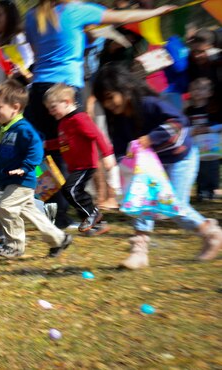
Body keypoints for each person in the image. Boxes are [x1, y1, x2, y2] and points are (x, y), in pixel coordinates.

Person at [24, 0, 175, 229]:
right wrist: (156, 11)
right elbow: (122, 17)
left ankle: (56, 214)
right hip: (65, 89)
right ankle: (76, 214)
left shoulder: (32, 15)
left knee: (49, 152)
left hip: (38, 90)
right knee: (72, 154)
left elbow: (37, 52)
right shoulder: (76, 11)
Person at [93, 63, 222, 267]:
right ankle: (139, 251)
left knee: (176, 207)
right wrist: (121, 165)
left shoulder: (149, 104)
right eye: (103, 101)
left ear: (125, 89)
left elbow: (179, 122)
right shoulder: (118, 120)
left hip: (181, 159)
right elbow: (120, 147)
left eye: (110, 97)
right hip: (150, 166)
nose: (109, 105)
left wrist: (151, 138)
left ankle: (211, 232)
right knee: (141, 200)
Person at [0, 80, 73, 258]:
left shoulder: (23, 129)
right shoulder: (2, 128)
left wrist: (25, 167)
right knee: (32, 213)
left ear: (15, 107)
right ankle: (59, 238)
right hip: (9, 179)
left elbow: (36, 148)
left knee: (5, 207)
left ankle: (15, 246)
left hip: (22, 179)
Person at [42, 84, 115, 235]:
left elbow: (97, 135)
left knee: (71, 190)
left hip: (86, 165)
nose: (50, 111)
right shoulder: (64, 122)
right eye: (48, 108)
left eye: (53, 107)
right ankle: (98, 224)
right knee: (73, 191)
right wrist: (46, 145)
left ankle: (93, 215)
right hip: (75, 166)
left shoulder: (79, 119)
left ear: (67, 102)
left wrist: (107, 154)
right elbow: (63, 142)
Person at [186, 78, 222, 201]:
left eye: (202, 89)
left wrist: (210, 129)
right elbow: (184, 126)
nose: (198, 92)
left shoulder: (213, 109)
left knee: (211, 166)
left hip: (211, 144)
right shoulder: (188, 111)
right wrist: (192, 131)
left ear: (209, 93)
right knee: (198, 167)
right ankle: (201, 190)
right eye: (194, 89)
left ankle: (211, 189)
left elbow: (220, 125)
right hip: (195, 144)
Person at [0, 0, 34, 80]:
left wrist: (14, 71)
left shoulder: (18, 38)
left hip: (17, 87)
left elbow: (28, 62)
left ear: (9, 16)